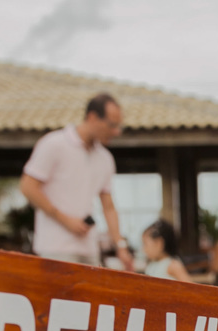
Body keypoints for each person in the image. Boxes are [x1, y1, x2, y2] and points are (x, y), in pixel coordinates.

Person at [19, 93, 134, 269]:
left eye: (119, 126)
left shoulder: (105, 158)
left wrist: (120, 246)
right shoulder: (53, 144)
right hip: (55, 248)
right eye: (112, 125)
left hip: (89, 250)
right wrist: (65, 220)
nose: (116, 132)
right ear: (92, 117)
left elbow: (108, 207)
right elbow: (28, 187)